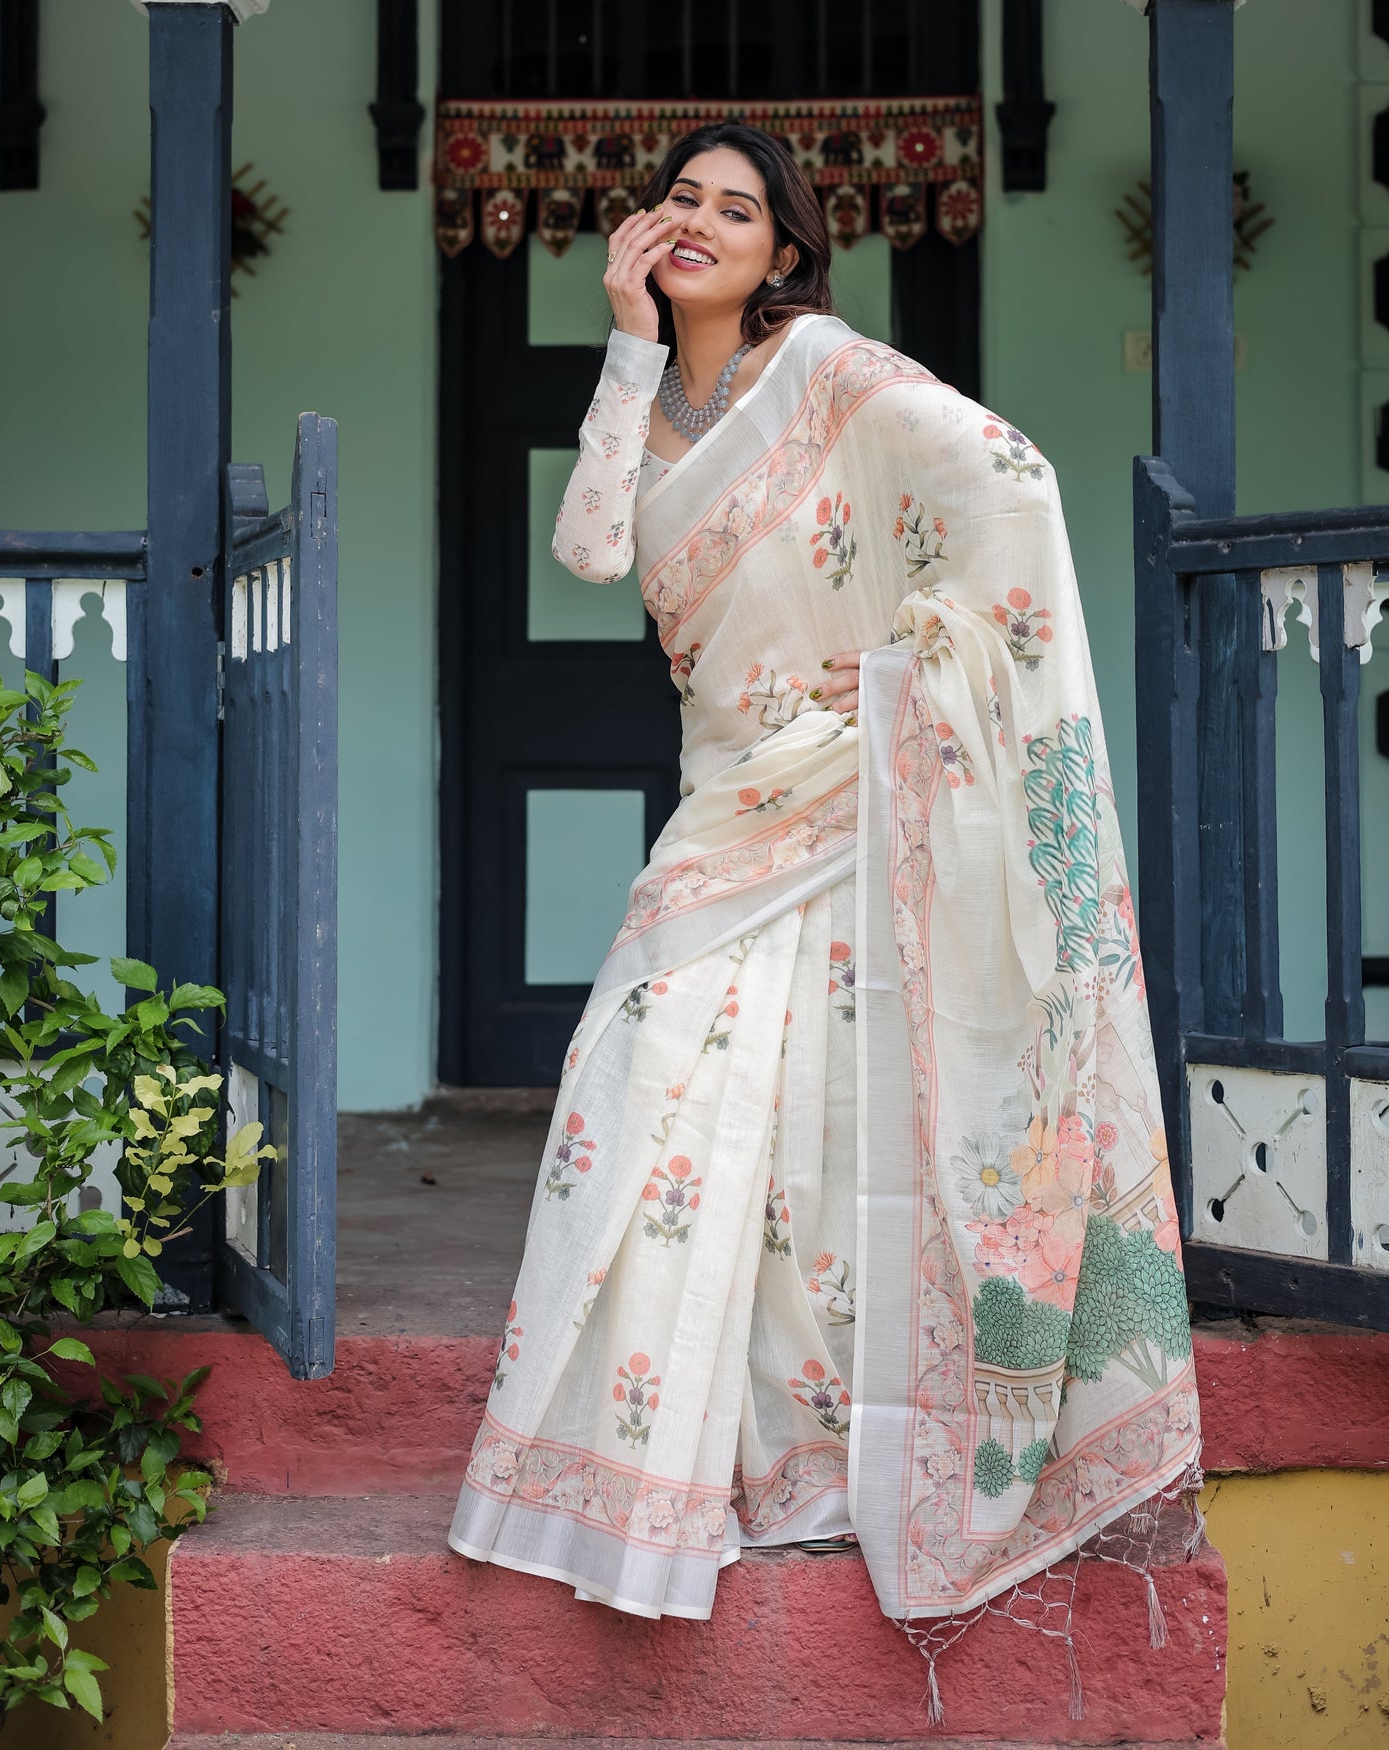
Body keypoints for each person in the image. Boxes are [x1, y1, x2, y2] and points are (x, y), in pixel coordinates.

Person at [447, 121, 1201, 1674]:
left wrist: (911, 676)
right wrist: (623, 343)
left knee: (819, 1140)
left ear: (786, 252)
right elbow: (591, 548)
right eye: (682, 203)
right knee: (638, 1081)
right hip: (719, 813)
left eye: (740, 209)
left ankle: (814, 1461)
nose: (705, 224)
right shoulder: (649, 400)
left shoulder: (832, 372)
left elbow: (1008, 479)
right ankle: (654, 1472)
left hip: (840, 792)